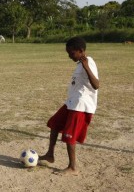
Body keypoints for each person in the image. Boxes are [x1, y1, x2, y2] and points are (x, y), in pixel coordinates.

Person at [39, 37, 100, 175]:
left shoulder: (88, 62)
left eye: (71, 53)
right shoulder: (80, 63)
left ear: (81, 51)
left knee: (69, 135)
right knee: (54, 123)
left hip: (81, 105)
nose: (69, 56)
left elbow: (96, 85)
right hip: (71, 103)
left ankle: (72, 167)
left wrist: (86, 67)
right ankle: (50, 155)